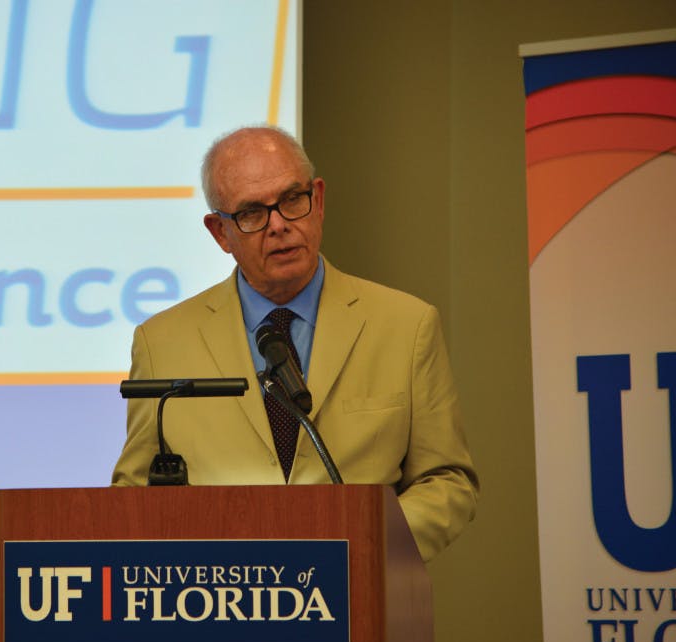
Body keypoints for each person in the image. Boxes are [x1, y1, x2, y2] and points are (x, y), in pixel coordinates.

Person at [111, 126, 478, 562]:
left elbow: (447, 480)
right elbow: (133, 495)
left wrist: (368, 542)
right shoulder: (162, 342)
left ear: (317, 200)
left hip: (357, 596)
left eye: (291, 200)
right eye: (251, 212)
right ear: (220, 233)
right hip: (215, 604)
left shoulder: (406, 326)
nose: (279, 225)